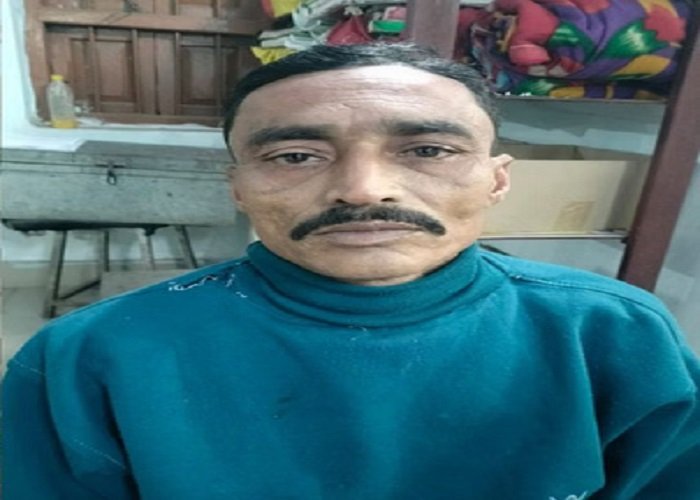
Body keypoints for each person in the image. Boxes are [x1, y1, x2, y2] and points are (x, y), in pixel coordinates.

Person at [3, 43, 699, 500]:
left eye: (427, 150)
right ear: (237, 187)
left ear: (497, 179)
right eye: (295, 156)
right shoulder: (89, 358)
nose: (363, 189)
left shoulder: (614, 334)